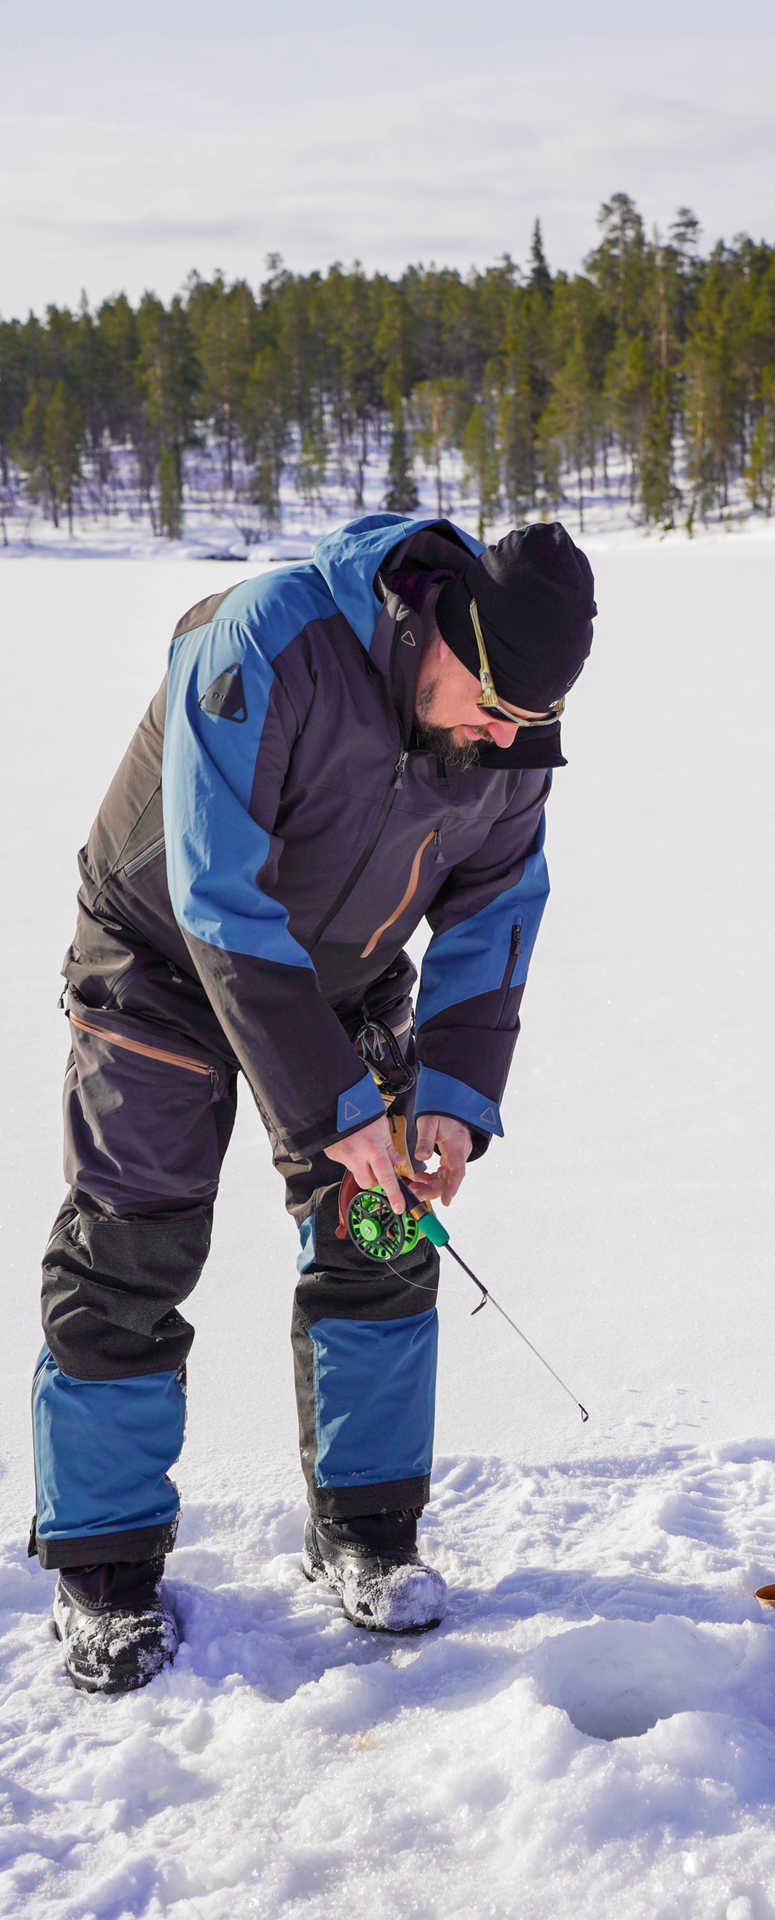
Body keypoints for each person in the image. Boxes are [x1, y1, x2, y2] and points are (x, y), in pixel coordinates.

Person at [32, 512, 596, 1693]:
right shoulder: (263, 642)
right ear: (442, 626)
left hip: (345, 972)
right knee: (130, 1249)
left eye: (528, 726)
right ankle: (106, 1570)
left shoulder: (509, 732)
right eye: (490, 708)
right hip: (161, 962)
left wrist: (446, 1096)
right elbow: (218, 898)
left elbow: (498, 905)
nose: (500, 741)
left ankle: (366, 1532)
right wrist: (332, 1104)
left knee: (384, 1236)